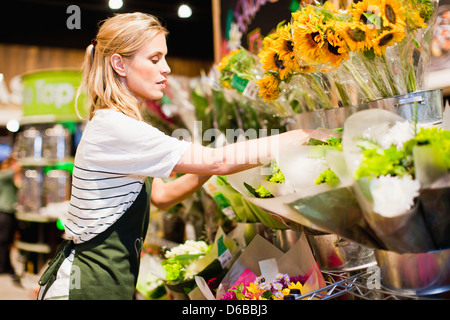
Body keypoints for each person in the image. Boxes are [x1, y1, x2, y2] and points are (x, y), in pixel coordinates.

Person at [37, 12, 311, 300]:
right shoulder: (116, 126)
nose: (166, 68)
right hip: (85, 286)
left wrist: (211, 163)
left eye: (165, 58)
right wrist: (299, 136)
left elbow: (162, 197)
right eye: (154, 59)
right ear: (119, 63)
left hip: (104, 281)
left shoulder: (112, 122)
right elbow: (219, 162)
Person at [0, 155, 19, 275]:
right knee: (3, 241)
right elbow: (17, 167)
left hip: (10, 212)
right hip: (5, 212)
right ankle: (2, 267)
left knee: (8, 242)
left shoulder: (8, 179)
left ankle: (6, 266)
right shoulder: (3, 176)